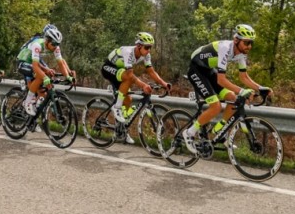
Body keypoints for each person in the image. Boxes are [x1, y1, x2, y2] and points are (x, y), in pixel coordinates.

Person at [183, 24, 270, 153]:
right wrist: (242, 90)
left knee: (233, 98)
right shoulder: (225, 48)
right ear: (236, 40)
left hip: (208, 70)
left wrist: (260, 88)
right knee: (216, 106)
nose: (249, 47)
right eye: (246, 43)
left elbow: (244, 77)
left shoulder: (241, 53)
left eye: (251, 43)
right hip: (196, 69)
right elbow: (221, 80)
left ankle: (219, 129)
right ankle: (189, 133)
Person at [101, 32, 172, 123]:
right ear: (138, 46)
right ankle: (117, 107)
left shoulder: (146, 55)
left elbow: (151, 71)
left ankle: (121, 133)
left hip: (121, 71)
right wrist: (143, 85)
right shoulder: (128, 52)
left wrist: (164, 84)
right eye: (146, 47)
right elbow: (130, 75)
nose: (149, 50)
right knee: (128, 77)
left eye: (150, 47)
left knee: (128, 99)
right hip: (108, 67)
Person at [15, 24, 74, 116]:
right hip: (24, 60)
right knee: (40, 76)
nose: (55, 46)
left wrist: (68, 76)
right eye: (54, 44)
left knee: (48, 74)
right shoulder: (37, 44)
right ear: (47, 41)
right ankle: (28, 102)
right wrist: (44, 76)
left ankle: (34, 114)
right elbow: (35, 66)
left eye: (57, 44)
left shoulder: (55, 46)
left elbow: (61, 63)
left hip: (34, 60)